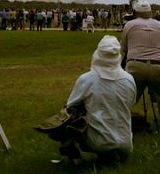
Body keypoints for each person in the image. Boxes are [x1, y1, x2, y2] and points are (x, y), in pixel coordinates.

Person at [56, 35, 137, 164]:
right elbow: (131, 103)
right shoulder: (129, 79)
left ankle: (75, 156)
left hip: (98, 143)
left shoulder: (87, 79)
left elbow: (70, 106)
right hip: (126, 143)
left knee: (66, 116)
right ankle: (115, 153)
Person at [120, 1, 160, 137]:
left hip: (135, 64)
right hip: (156, 65)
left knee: (127, 98)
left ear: (135, 12)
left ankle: (122, 129)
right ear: (150, 12)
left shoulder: (129, 25)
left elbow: (124, 48)